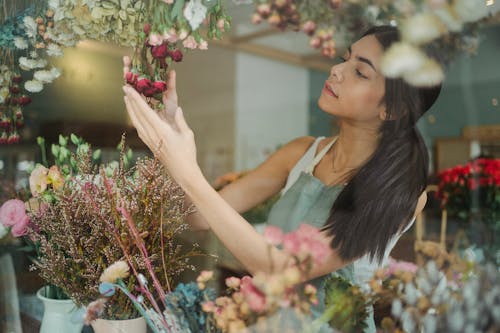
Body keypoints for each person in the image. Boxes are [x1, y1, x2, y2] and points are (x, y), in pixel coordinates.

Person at [123, 25, 441, 332]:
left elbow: (282, 269)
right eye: (345, 58)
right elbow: (197, 217)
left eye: (360, 72)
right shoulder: (301, 153)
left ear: (393, 109)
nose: (336, 70)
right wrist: (166, 142)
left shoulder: (400, 193)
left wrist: (187, 169)